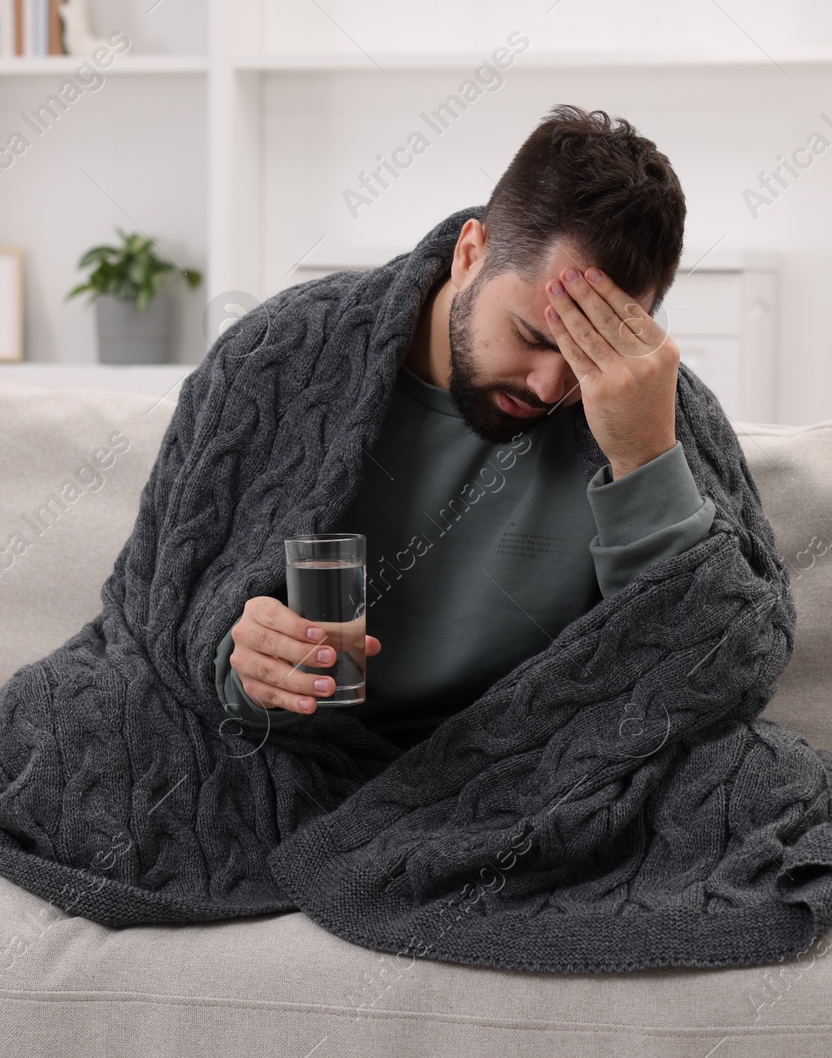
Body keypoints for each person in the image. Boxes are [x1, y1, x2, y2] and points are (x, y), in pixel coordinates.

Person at [214, 105, 716, 751]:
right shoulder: (280, 358)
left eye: (590, 354)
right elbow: (174, 630)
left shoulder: (649, 403)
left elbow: (696, 679)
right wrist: (248, 671)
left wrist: (645, 456)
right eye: (532, 335)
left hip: (536, 776)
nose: (549, 387)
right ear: (470, 253)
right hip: (313, 762)